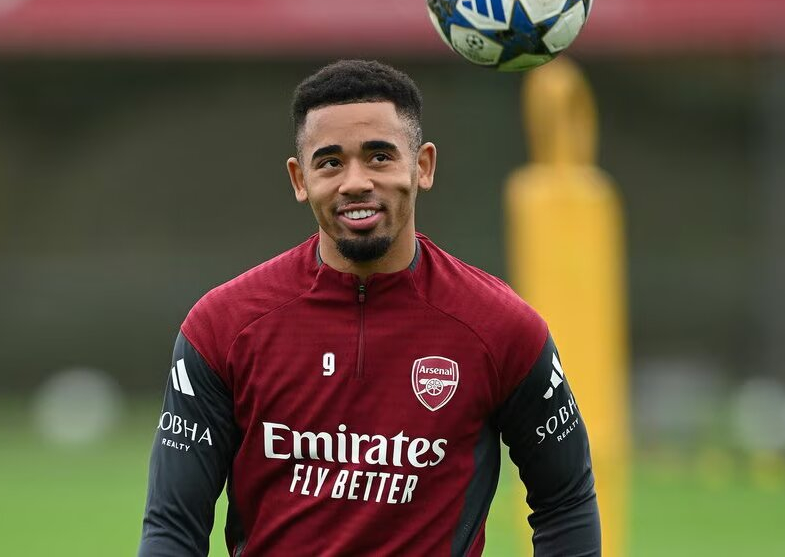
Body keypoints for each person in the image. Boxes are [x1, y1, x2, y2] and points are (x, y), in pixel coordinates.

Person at [138, 60, 600, 556]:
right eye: (330, 162)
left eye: (379, 156)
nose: (355, 182)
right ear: (299, 178)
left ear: (422, 166)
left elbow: (565, 502)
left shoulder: (502, 327)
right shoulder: (222, 327)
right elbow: (173, 527)